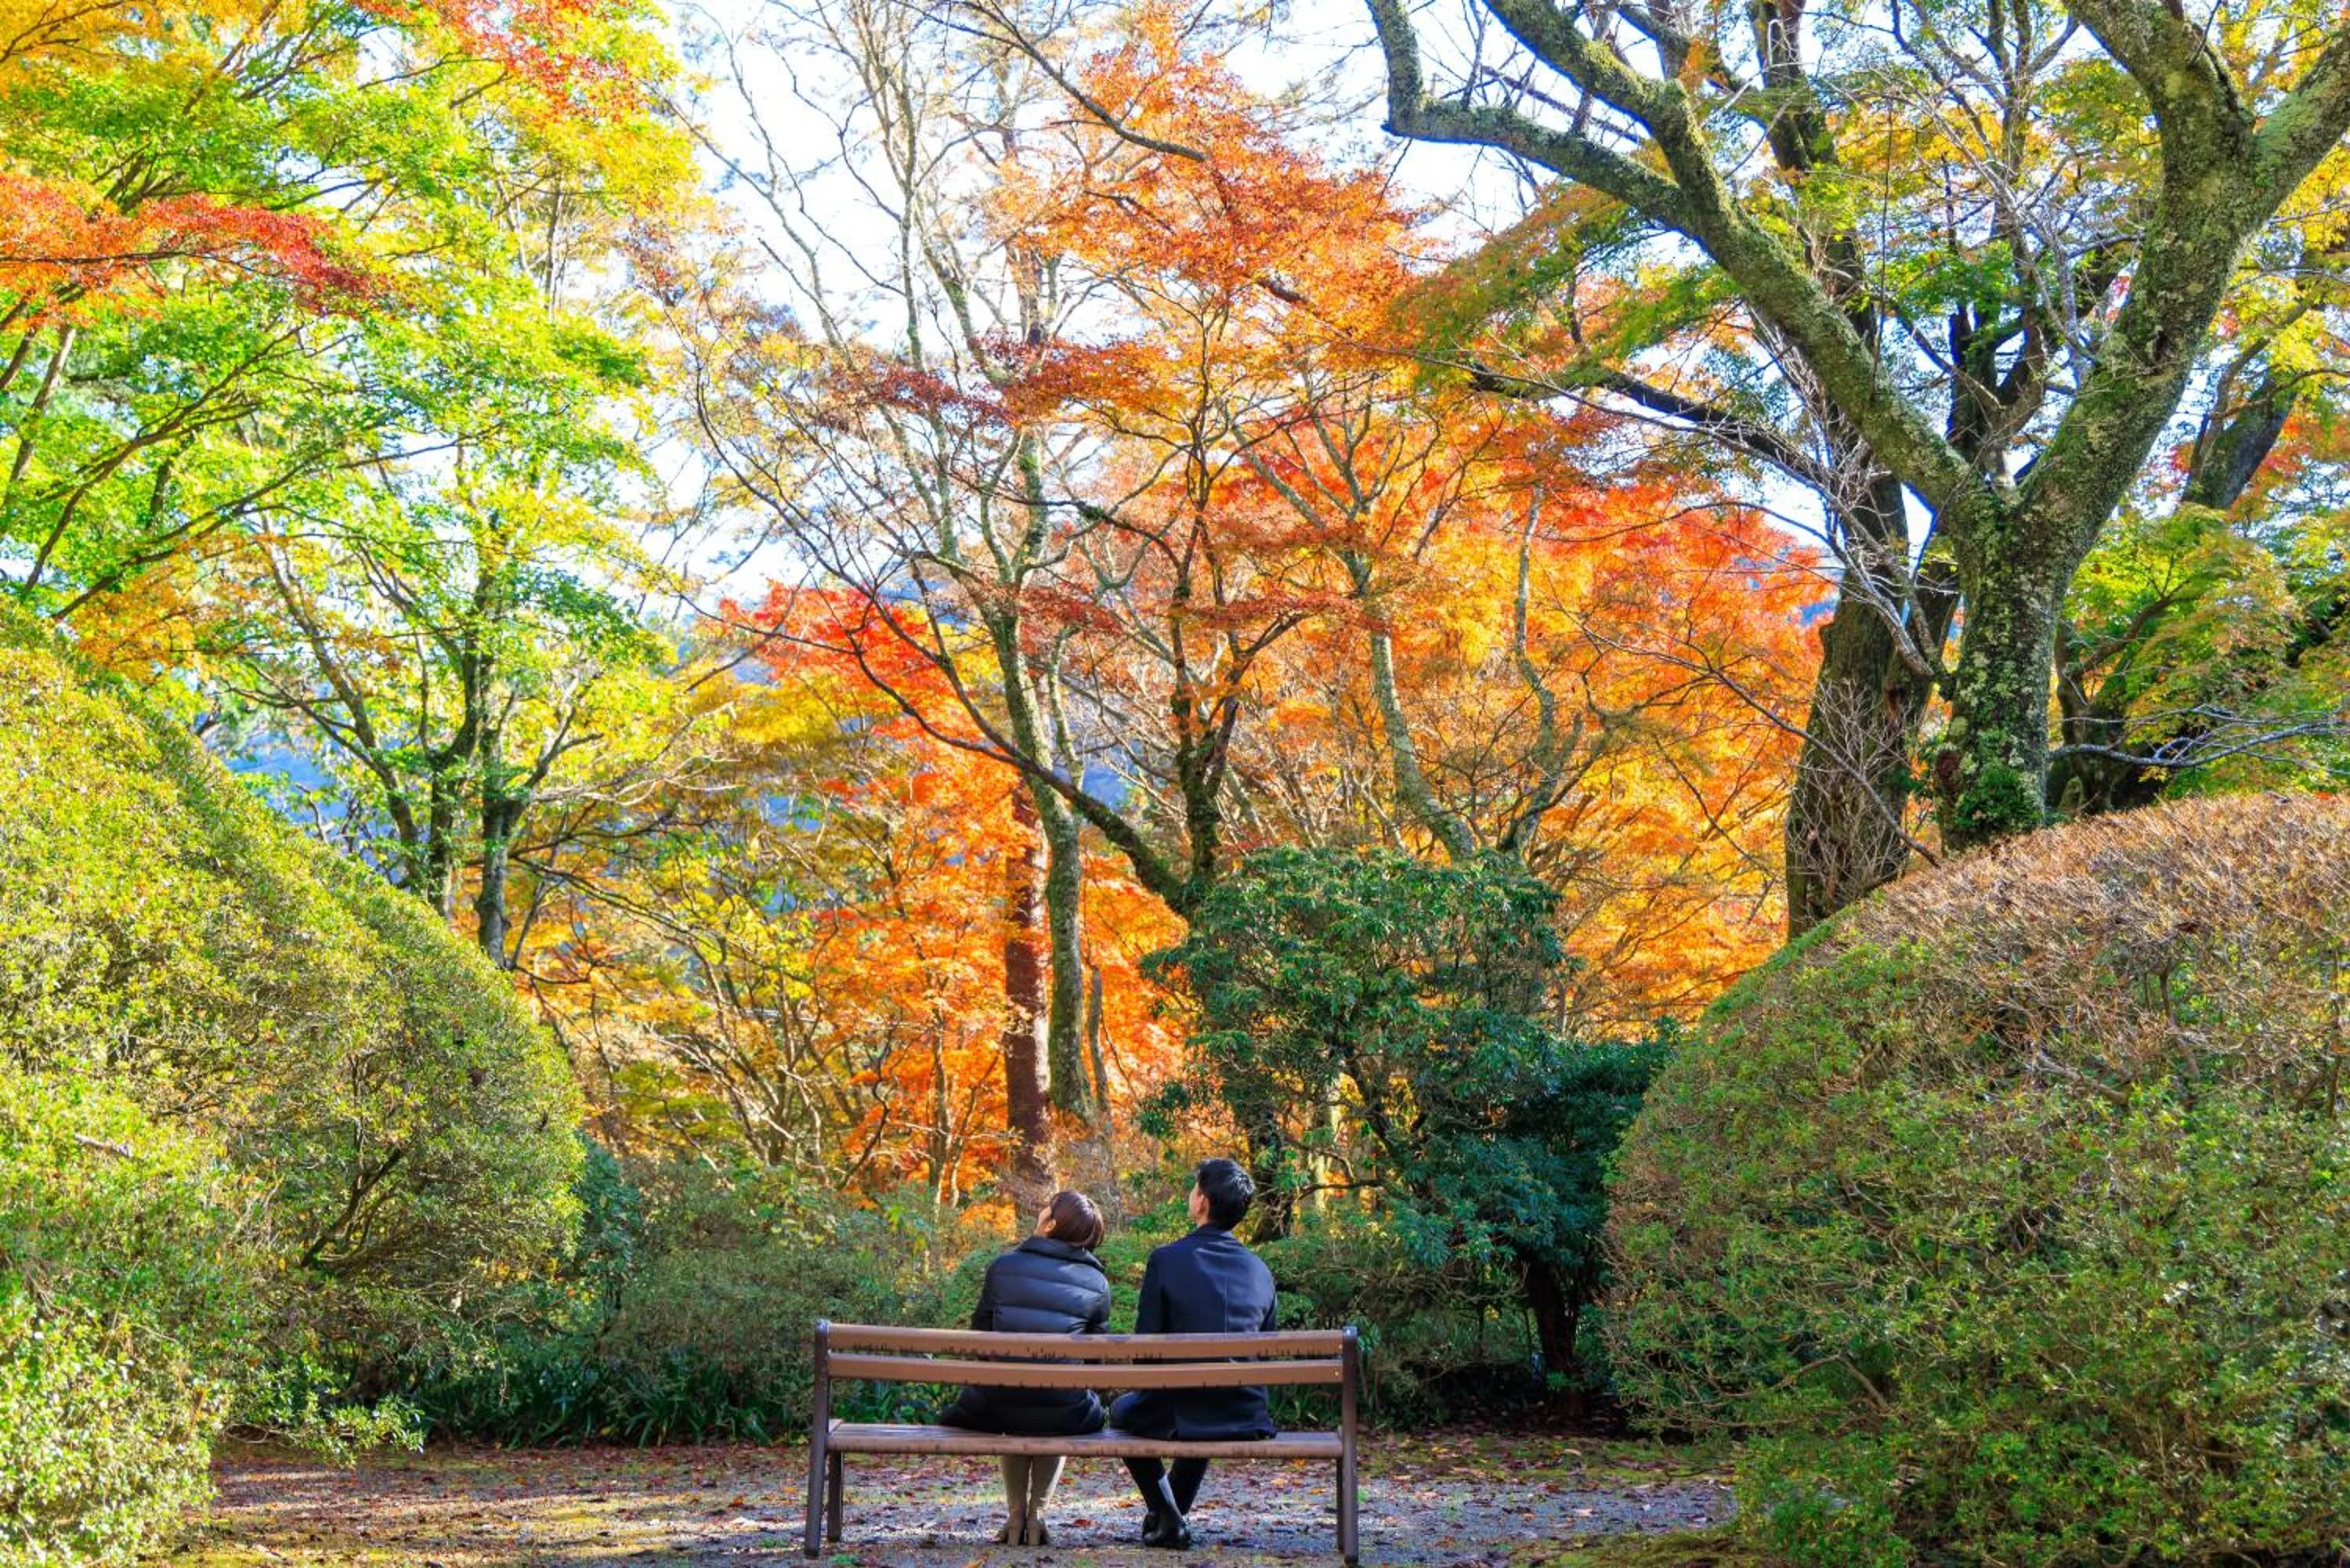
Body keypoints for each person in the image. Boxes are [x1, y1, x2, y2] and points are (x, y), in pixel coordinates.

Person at [1108, 1158, 1277, 1551]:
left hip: (1180, 1406)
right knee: (1203, 1404)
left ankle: (1169, 1516)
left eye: (1193, 1188)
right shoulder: (1260, 1270)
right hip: (1243, 1409)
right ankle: (1173, 1517)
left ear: (1202, 1202)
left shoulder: (1167, 1259)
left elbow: (1145, 1347)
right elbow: (1265, 1352)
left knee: (1122, 1412)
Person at [937, 1189, 1111, 1546]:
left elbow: (980, 1336)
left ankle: (1016, 1516)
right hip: (1063, 1412)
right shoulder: (1097, 1283)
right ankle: (1037, 1516)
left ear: (1051, 1223)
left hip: (997, 1406)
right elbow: (1095, 1362)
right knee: (1061, 1398)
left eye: (1046, 1207)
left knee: (1013, 1398)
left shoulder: (1004, 1267)